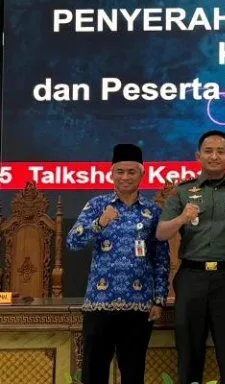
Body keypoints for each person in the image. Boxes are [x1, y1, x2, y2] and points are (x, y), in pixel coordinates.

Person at [156, 130, 225, 384]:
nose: (214, 156)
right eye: (208, 151)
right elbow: (161, 233)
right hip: (192, 278)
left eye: (221, 151)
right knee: (189, 351)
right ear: (198, 156)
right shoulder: (182, 192)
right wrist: (182, 218)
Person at [66, 144, 169, 384]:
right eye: (120, 172)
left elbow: (161, 258)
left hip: (139, 305)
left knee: (133, 374)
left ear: (142, 174)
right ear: (111, 174)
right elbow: (72, 242)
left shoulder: (153, 211)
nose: (125, 177)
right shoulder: (97, 205)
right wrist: (100, 223)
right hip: (100, 303)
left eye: (131, 172)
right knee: (94, 373)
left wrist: (159, 300)